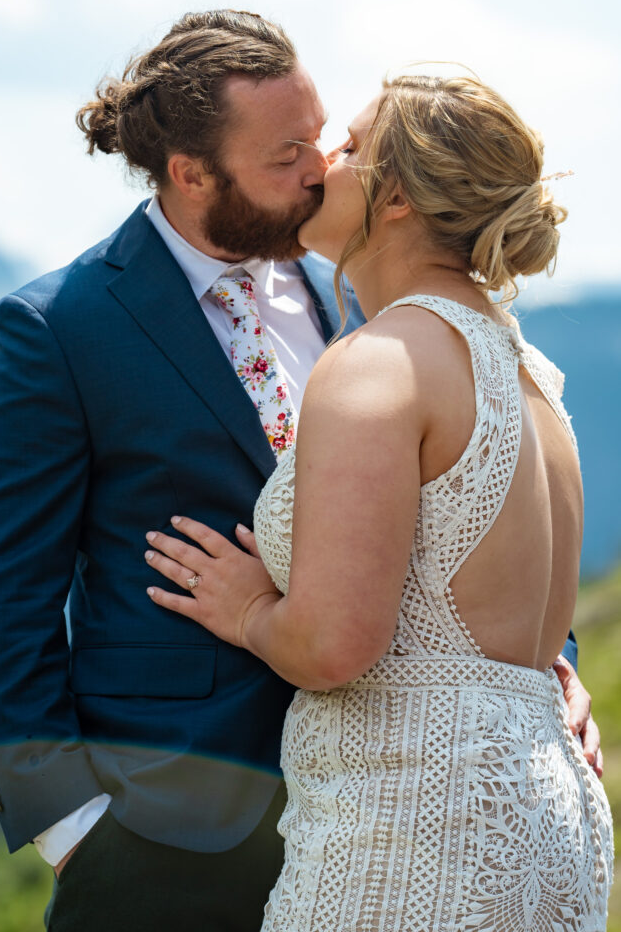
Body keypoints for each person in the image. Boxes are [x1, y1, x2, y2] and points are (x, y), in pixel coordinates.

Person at [0, 10, 595, 932]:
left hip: (389, 808)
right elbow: (5, 588)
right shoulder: (60, 327)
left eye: (323, 135)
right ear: (190, 173)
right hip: (172, 826)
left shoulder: (365, 308)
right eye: (286, 152)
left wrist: (544, 672)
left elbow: (464, 511)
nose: (317, 168)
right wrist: (69, 821)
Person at [144, 74, 614, 930]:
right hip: (552, 818)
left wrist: (251, 610)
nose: (325, 160)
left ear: (395, 197)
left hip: (419, 830)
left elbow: (332, 647)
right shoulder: (532, 378)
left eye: (352, 147)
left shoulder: (380, 361)